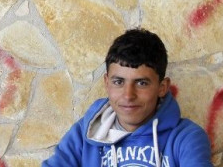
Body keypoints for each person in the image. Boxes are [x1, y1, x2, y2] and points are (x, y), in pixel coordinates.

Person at [43, 28, 212, 166]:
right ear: (107, 83)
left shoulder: (187, 138)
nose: (128, 95)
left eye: (141, 83)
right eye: (118, 82)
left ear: (162, 88)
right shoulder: (85, 133)